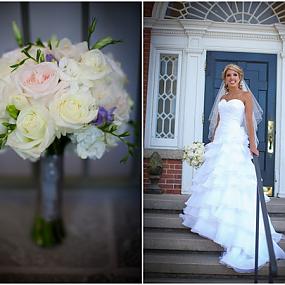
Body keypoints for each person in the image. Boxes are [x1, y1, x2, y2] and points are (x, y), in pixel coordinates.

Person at [180, 64, 285, 273]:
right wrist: (212, 144)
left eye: (235, 75)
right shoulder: (222, 99)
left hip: (236, 142)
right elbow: (218, 124)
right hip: (221, 142)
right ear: (225, 79)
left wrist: (253, 145)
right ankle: (215, 222)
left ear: (240, 77)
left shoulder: (245, 96)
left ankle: (235, 229)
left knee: (234, 182)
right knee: (217, 181)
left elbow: (248, 121)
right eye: (228, 75)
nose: (232, 78)